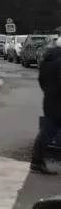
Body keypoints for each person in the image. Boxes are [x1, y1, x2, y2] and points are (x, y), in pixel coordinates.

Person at [31, 35, 61, 174]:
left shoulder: (49, 59)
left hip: (50, 99)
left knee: (48, 130)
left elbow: (41, 79)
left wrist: (49, 92)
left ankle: (37, 161)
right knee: (49, 130)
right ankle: (37, 161)